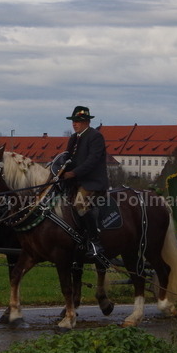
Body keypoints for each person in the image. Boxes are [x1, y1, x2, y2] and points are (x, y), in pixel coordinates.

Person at [63, 105, 109, 265]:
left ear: (87, 122)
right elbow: (68, 158)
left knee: (79, 204)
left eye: (78, 121)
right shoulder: (73, 138)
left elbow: (92, 161)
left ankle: (95, 243)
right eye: (73, 121)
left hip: (92, 182)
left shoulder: (95, 136)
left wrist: (73, 173)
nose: (74, 124)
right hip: (74, 181)